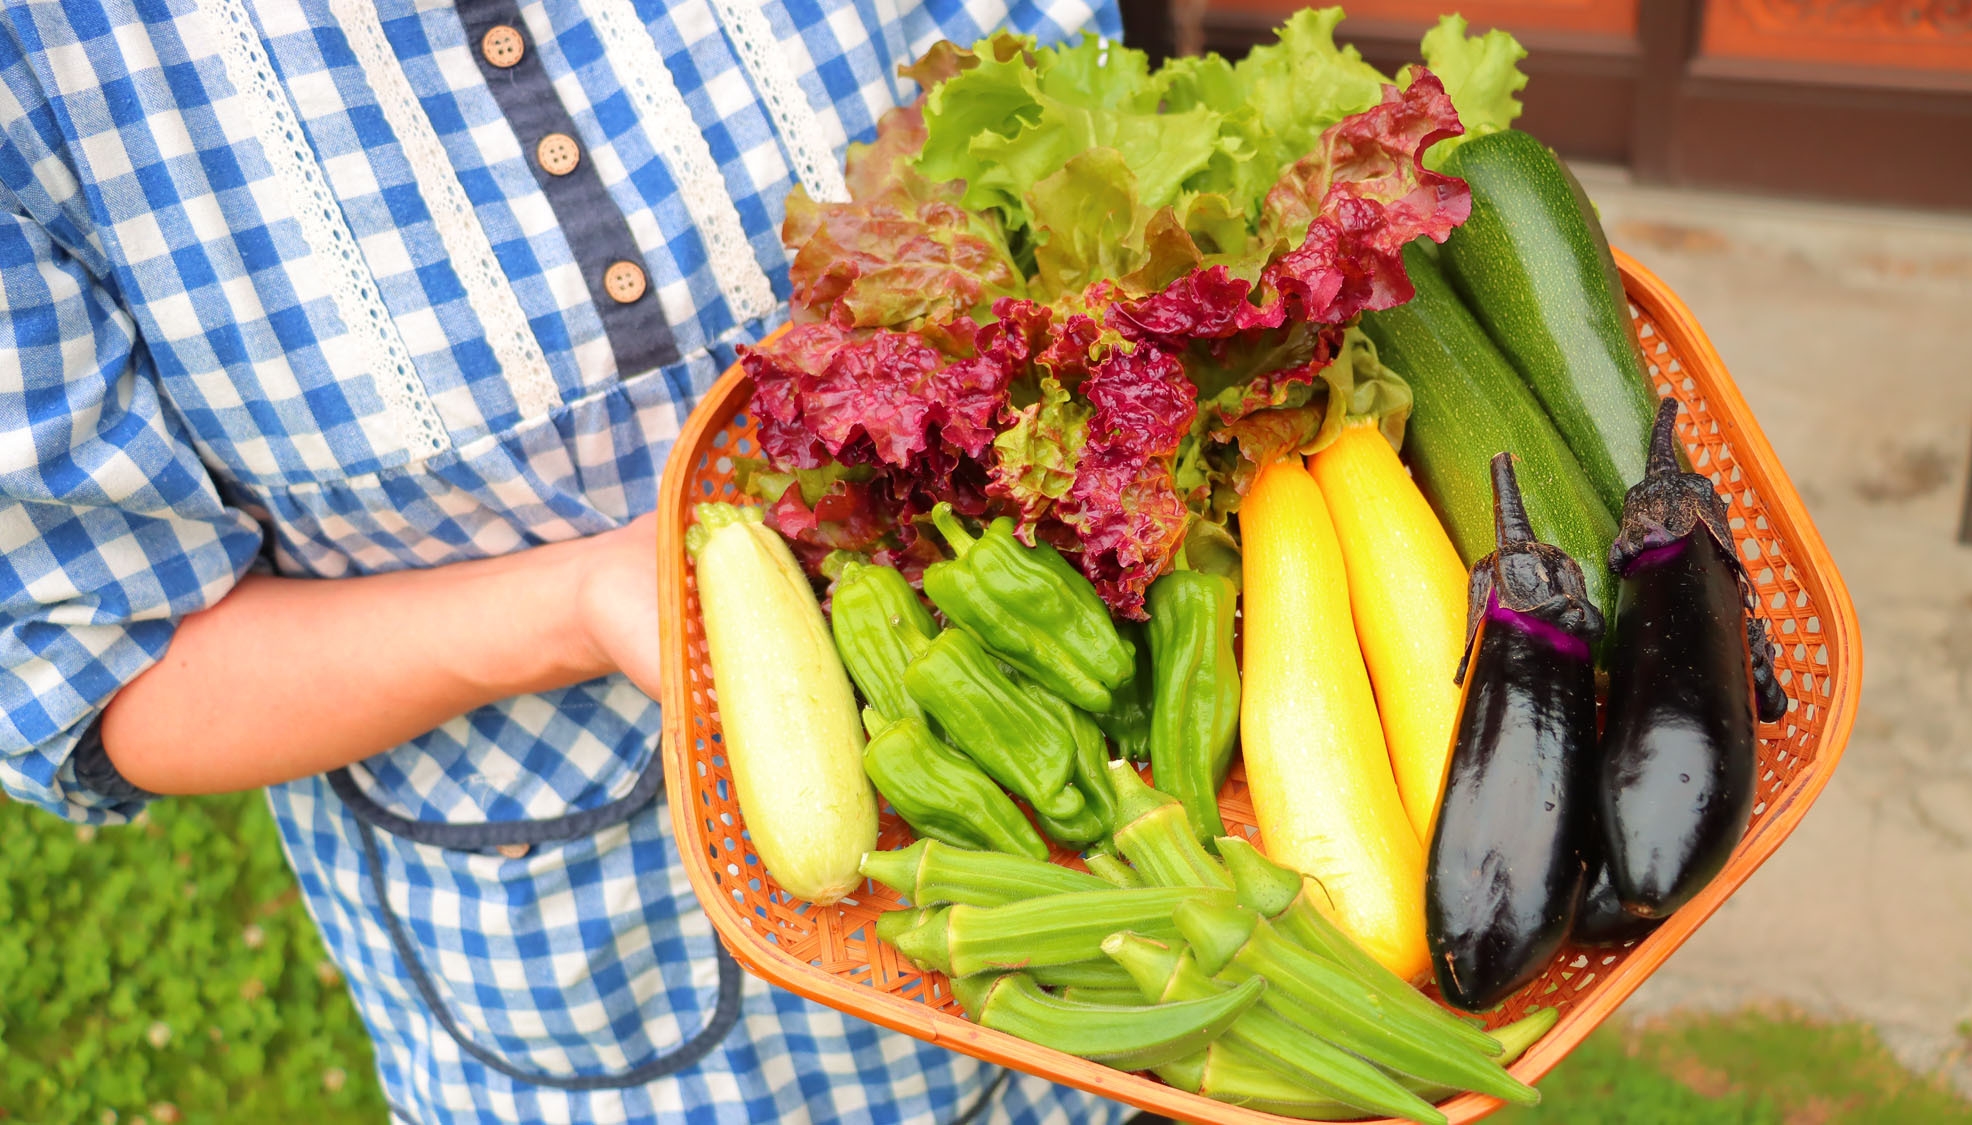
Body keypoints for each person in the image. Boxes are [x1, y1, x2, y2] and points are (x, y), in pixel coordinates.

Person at [0, 1, 1135, 1121]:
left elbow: (1085, 160)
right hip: (596, 998)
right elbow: (97, 667)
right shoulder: (42, 56)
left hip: (1101, 901)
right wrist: (583, 604)